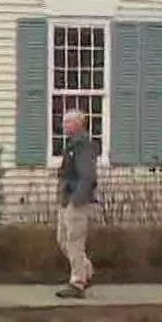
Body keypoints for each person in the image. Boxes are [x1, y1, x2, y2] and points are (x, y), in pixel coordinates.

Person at [54, 109, 100, 299]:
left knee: (75, 241)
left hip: (76, 201)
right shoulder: (72, 145)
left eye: (68, 123)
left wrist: (77, 199)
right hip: (67, 199)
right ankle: (86, 271)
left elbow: (88, 175)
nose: (64, 126)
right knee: (62, 239)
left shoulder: (84, 146)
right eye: (64, 122)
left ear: (79, 124)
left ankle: (78, 282)